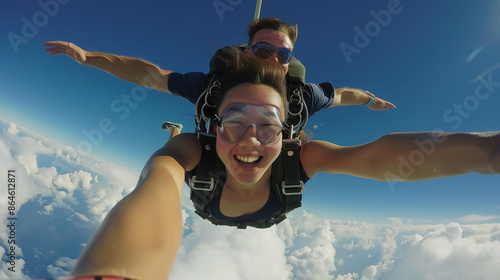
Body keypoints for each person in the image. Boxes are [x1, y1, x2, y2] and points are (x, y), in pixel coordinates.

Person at [65, 53, 499, 280]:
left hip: (266, 208)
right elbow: (155, 188)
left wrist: (488, 152)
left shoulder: (299, 152)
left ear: (286, 132)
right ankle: (175, 130)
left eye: (267, 127)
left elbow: (376, 154)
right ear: (215, 123)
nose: (250, 139)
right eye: (234, 123)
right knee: (166, 155)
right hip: (208, 192)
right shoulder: (192, 149)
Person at [44, 17, 396, 123]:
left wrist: (370, 100)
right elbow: (148, 74)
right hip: (214, 165)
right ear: (247, 52)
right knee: (170, 160)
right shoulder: (213, 88)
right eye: (263, 49)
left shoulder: (302, 97)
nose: (273, 59)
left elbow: (343, 95)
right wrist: (89, 57)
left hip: (273, 172)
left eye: (283, 55)